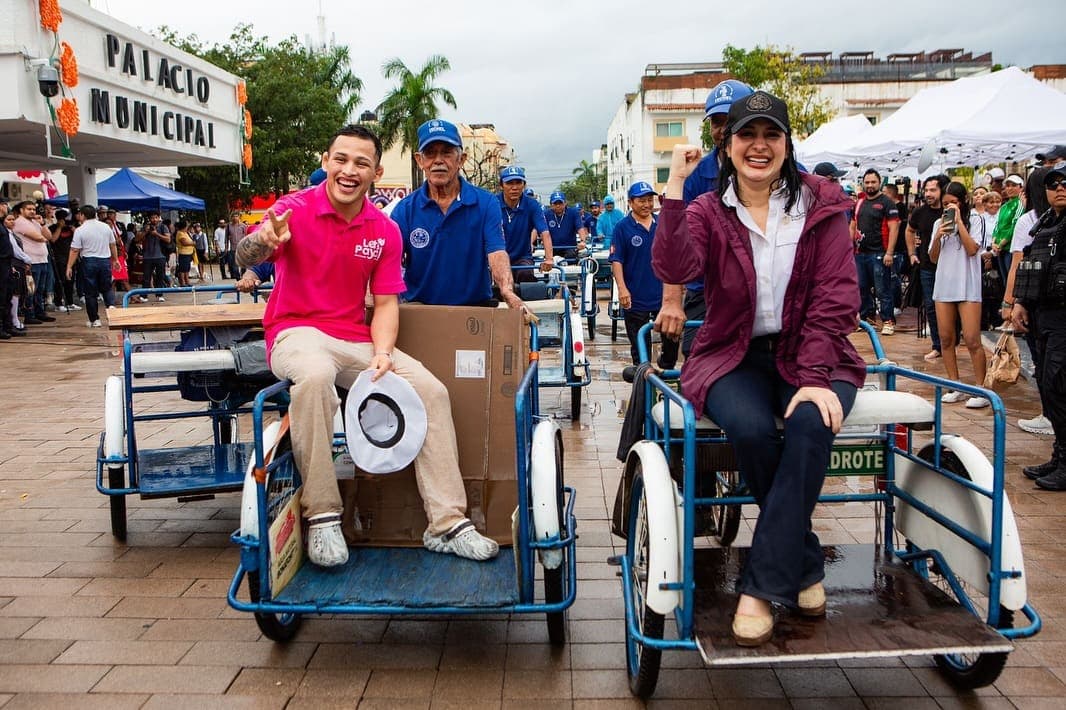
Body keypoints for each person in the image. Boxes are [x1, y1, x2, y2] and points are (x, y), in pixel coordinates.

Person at [652, 91, 864, 647]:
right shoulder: (708, 209)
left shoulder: (823, 202)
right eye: (748, 135)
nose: (759, 146)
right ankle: (803, 561)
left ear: (787, 143)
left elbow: (837, 298)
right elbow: (674, 266)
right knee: (747, 428)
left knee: (811, 424)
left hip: (817, 351)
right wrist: (674, 186)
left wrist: (816, 378)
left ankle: (760, 586)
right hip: (733, 354)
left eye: (772, 135)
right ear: (729, 144)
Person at [236, 123, 500, 567]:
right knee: (316, 377)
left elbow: (385, 304)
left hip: (355, 338)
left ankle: (447, 523)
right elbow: (245, 256)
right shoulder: (293, 210)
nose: (349, 170)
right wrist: (261, 242)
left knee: (432, 392)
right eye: (341, 160)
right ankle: (322, 516)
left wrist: (383, 353)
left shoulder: (384, 229)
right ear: (326, 162)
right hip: (295, 333)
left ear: (376, 172)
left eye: (361, 163)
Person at [658, 79, 755, 358]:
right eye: (717, 121)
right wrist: (673, 301)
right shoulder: (697, 175)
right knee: (698, 357)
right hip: (707, 289)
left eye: (732, 120)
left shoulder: (785, 169)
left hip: (766, 290)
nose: (723, 129)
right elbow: (676, 239)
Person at [391, 119, 525, 311]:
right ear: (420, 160)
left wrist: (507, 291)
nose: (438, 160)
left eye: (446, 153)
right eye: (430, 153)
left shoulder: (486, 203)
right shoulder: (405, 209)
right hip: (420, 310)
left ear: (461, 159)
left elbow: (496, 251)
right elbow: (389, 260)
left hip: (474, 309)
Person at [1010, 164, 1066, 490]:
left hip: (1062, 319)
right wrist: (1019, 303)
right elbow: (1032, 268)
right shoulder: (1045, 226)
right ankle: (1060, 455)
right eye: (1053, 183)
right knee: (1047, 385)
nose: (1059, 188)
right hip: (1043, 315)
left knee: (1059, 383)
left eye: (1064, 183)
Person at [1003, 168, 1054, 437]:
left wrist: (1009, 302)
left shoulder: (1028, 221)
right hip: (1048, 300)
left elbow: (1017, 264)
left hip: (1035, 300)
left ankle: (1049, 415)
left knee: (1043, 360)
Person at [930, 182, 990, 408]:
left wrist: (959, 222)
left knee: (973, 338)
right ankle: (954, 384)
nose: (948, 207)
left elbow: (973, 249)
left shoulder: (976, 220)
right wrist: (937, 236)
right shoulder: (938, 223)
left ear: (962, 201)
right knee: (946, 338)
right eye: (945, 204)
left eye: (953, 203)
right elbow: (933, 258)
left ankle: (981, 388)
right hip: (944, 285)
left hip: (968, 286)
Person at [610, 181, 677, 369]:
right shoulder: (622, 227)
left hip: (663, 295)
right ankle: (643, 383)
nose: (647, 204)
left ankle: (666, 374)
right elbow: (617, 260)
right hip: (635, 296)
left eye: (650, 200)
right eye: (642, 201)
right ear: (631, 202)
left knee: (672, 339)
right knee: (640, 346)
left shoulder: (662, 223)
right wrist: (622, 289)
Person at [851, 169, 901, 335]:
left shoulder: (887, 203)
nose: (870, 185)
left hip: (880, 253)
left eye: (873, 182)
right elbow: (853, 224)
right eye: (867, 182)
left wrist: (889, 252)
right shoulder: (859, 202)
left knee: (883, 289)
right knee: (861, 288)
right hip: (860, 253)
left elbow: (894, 227)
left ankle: (888, 321)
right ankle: (865, 320)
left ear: (880, 183)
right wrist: (849, 246)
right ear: (863, 183)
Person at [906, 175, 950, 361]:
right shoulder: (919, 212)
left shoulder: (949, 212)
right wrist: (911, 253)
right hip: (926, 266)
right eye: (927, 190)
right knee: (931, 307)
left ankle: (950, 342)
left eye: (933, 190)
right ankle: (937, 345)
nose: (929, 194)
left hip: (949, 267)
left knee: (950, 306)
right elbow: (909, 230)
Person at [497, 165, 552, 281]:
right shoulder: (492, 203)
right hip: (497, 256)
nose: (514, 187)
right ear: (501, 185)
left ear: (524, 185)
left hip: (522, 257)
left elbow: (544, 232)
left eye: (518, 183)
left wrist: (549, 259)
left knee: (526, 276)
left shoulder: (532, 205)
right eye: (509, 183)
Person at [66, 205, 118, 328]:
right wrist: (115, 260)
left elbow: (74, 250)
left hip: (89, 261)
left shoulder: (80, 230)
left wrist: (69, 266)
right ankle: (111, 308)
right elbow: (113, 244)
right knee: (107, 288)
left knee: (90, 293)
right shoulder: (105, 227)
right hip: (105, 260)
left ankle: (95, 320)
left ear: (82, 215)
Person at [12, 201, 56, 324]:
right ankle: (29, 314)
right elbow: (38, 237)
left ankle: (39, 312)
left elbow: (49, 236)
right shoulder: (20, 222)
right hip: (31, 261)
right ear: (21, 210)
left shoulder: (34, 222)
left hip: (42, 259)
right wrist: (43, 236)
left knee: (40, 289)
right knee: (31, 289)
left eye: (33, 209)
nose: (32, 211)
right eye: (29, 209)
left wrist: (42, 223)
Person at [992, 174, 1025, 281]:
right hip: (1000, 249)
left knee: (1012, 280)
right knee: (1005, 280)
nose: (1009, 188)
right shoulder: (1004, 206)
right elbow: (997, 225)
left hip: (1011, 248)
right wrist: (993, 242)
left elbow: (1015, 224)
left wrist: (1002, 243)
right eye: (1007, 185)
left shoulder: (1020, 203)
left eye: (1014, 185)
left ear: (1021, 187)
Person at [543, 192, 587, 261]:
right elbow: (537, 229)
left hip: (569, 248)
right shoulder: (546, 214)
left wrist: (583, 241)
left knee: (572, 259)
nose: (558, 206)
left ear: (565, 203)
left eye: (560, 203)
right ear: (551, 204)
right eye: (555, 203)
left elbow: (580, 228)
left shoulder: (573, 213)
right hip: (552, 248)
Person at [138, 211, 170, 302]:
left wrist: (157, 234)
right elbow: (137, 239)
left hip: (160, 256)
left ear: (159, 218)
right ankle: (144, 295)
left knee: (160, 276)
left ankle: (159, 294)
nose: (154, 220)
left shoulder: (163, 227)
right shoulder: (145, 227)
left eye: (156, 217)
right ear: (149, 219)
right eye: (152, 218)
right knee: (146, 277)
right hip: (147, 256)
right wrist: (145, 231)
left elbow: (168, 239)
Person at [174, 220, 195, 287]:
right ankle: (182, 282)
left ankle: (187, 281)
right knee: (183, 269)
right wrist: (193, 243)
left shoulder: (186, 233)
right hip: (183, 253)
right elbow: (184, 242)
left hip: (189, 253)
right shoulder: (180, 233)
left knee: (187, 268)